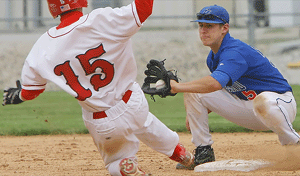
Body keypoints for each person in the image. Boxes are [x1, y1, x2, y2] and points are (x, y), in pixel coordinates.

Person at [2, 0, 194, 175]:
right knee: (146, 124)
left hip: (103, 124)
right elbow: (143, 9)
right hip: (133, 102)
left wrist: (19, 95)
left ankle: (125, 166)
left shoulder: (42, 46)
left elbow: (32, 91)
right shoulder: (102, 19)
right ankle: (184, 156)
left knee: (116, 161)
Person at [170, 5, 300, 170]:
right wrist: (197, 112)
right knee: (194, 93)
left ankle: (294, 146)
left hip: (281, 104)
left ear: (225, 28)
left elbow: (214, 84)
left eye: (209, 26)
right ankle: (204, 153)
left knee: (263, 101)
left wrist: (176, 87)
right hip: (251, 108)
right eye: (201, 25)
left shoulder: (234, 52)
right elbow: (220, 89)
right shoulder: (213, 58)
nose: (203, 30)